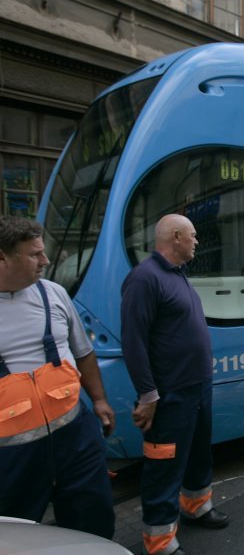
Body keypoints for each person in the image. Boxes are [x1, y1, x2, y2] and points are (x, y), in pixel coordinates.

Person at [0, 216, 115, 538]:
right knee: (16, 534)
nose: (45, 261)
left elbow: (83, 353)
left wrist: (99, 400)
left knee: (93, 519)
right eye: (34, 254)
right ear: (2, 257)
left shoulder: (53, 294)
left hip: (75, 436)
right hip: (12, 455)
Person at [121, 214, 229, 555]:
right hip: (170, 394)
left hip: (198, 387)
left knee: (199, 454)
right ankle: (160, 540)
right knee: (164, 466)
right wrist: (149, 395)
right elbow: (133, 342)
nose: (197, 241)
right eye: (194, 235)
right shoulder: (144, 279)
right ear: (177, 236)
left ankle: (196, 506)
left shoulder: (179, 276)